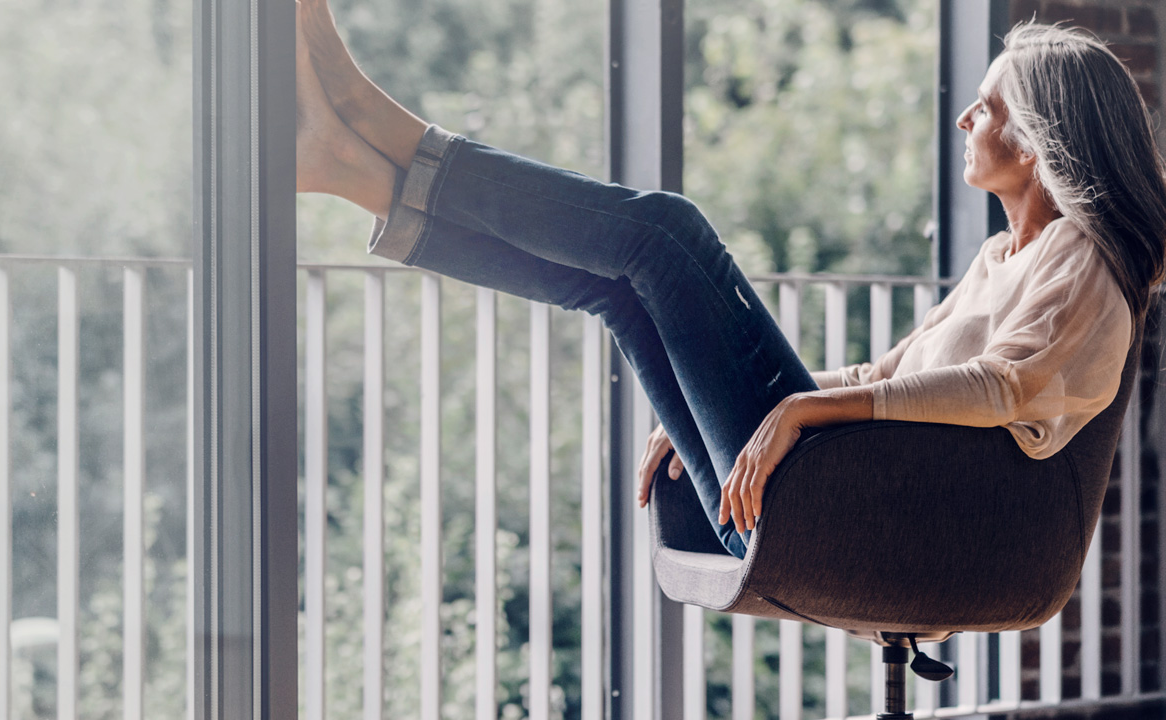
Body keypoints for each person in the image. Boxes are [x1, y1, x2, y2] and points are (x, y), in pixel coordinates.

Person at [295, 4, 1166, 560]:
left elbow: (1002, 387)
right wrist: (759, 395)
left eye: (987, 106)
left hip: (860, 520)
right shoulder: (1000, 261)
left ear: (1037, 141)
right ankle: (350, 169)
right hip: (811, 497)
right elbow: (886, 377)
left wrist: (798, 409)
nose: (964, 117)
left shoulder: (1085, 261)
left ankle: (375, 119)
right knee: (623, 291)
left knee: (668, 232)